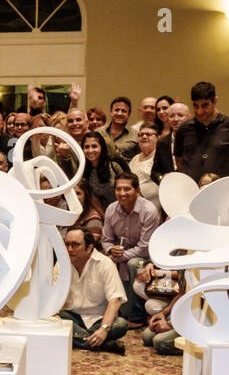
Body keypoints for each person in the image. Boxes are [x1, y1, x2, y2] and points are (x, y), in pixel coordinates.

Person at [101, 171, 160, 325]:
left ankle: (138, 316)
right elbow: (106, 240)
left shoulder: (149, 211)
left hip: (147, 259)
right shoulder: (111, 209)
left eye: (127, 189)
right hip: (122, 258)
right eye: (118, 189)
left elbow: (144, 248)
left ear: (137, 190)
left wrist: (118, 256)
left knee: (134, 263)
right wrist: (110, 250)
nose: (122, 193)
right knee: (124, 312)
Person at [58, 226, 127, 355]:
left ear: (89, 247)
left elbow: (115, 301)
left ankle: (82, 340)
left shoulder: (105, 264)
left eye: (75, 245)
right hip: (72, 318)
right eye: (67, 244)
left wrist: (104, 329)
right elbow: (53, 296)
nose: (69, 249)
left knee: (121, 324)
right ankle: (102, 345)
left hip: (99, 320)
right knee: (57, 320)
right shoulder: (61, 264)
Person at [174, 81, 229, 182]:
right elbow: (179, 163)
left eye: (205, 105)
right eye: (196, 106)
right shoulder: (183, 129)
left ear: (215, 101)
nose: (199, 111)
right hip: (192, 189)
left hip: (221, 188)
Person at [153, 102, 189, 181]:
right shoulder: (162, 142)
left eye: (180, 115)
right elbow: (154, 172)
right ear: (168, 119)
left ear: (188, 117)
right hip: (170, 189)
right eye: (171, 116)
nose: (176, 119)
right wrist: (162, 178)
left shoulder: (197, 140)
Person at [128, 121, 161, 209]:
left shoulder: (162, 157)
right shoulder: (135, 159)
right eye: (141, 134)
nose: (144, 137)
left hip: (155, 209)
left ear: (158, 138)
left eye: (148, 134)